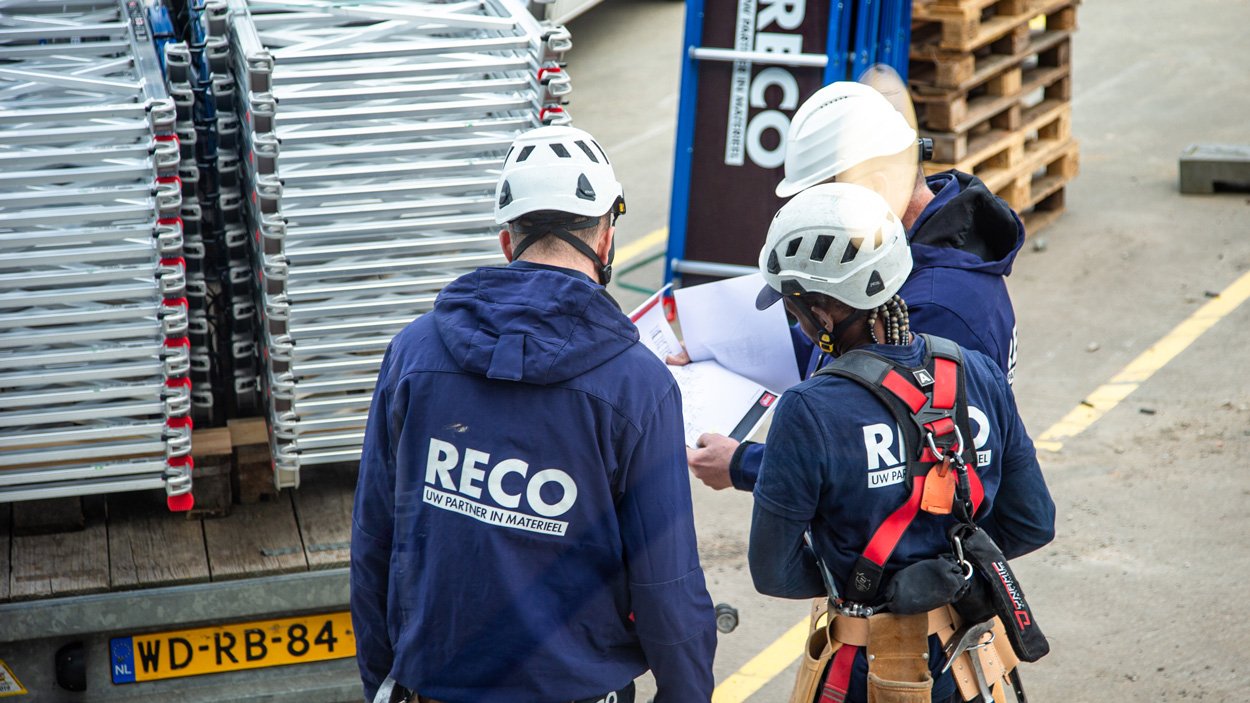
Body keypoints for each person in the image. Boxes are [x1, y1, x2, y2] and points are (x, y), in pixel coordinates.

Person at [350, 125, 717, 703]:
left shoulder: (415, 353)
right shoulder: (638, 384)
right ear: (605, 241)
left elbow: (374, 538)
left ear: (506, 242)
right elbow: (665, 584)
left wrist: (382, 683)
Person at [746, 183, 1055, 703]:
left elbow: (773, 571)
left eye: (793, 308)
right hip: (971, 659)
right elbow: (1031, 521)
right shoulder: (974, 370)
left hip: (871, 670)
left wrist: (860, 585)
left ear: (822, 311)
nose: (794, 322)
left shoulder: (809, 410)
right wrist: (949, 568)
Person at [686, 81, 1026, 493]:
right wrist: (723, 350)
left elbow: (890, 462)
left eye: (825, 197)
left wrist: (745, 464)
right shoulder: (894, 264)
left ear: (877, 185)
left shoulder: (936, 308)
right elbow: (839, 348)